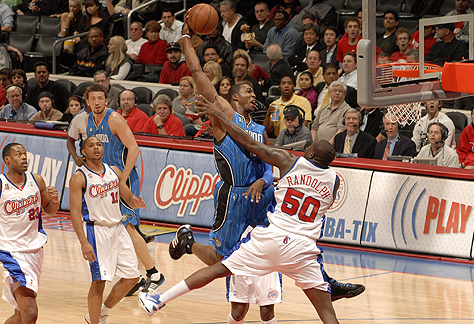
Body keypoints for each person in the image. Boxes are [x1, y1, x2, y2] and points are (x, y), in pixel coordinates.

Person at [140, 95, 343, 324]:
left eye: (310, 148)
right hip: (303, 249)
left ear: (312, 155)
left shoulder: (290, 161)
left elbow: (251, 143)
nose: (306, 149)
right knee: (326, 312)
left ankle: (158, 300)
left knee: (220, 268)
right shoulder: (334, 180)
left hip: (272, 238)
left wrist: (218, 116)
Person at [175, 29, 281, 324]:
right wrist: (186, 40)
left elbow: (270, 163)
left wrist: (265, 180)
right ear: (233, 98)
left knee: (267, 255)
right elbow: (197, 73)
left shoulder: (259, 129)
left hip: (262, 198)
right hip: (233, 196)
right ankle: (189, 244)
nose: (252, 95)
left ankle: (264, 302)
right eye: (247, 91)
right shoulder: (224, 117)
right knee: (226, 261)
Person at [0, 143, 59, 324]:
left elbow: (50, 211)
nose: (24, 157)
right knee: (30, 312)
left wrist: (54, 200)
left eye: (25, 153)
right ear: (7, 159)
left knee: (19, 315)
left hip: (35, 250)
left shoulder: (37, 180)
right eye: (18, 154)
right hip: (10, 252)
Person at [85, 83, 165, 295]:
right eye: (93, 99)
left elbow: (134, 147)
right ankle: (134, 276)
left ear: (106, 100)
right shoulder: (88, 121)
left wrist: (124, 177)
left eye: (100, 98)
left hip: (122, 179)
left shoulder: (114, 119)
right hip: (107, 182)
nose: (97, 102)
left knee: (128, 226)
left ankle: (153, 274)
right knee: (121, 228)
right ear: (87, 102)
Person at [69, 136, 146, 324]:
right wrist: (83, 242)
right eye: (91, 146)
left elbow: (127, 197)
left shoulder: (114, 171)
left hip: (118, 229)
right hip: (97, 232)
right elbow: (75, 213)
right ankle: (94, 321)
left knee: (132, 277)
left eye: (98, 145)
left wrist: (136, 202)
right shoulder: (79, 177)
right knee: (99, 282)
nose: (96, 148)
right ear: (83, 152)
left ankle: (101, 312)